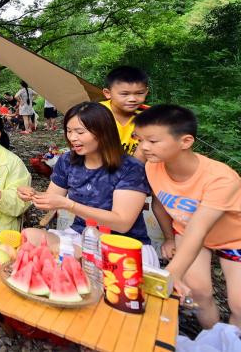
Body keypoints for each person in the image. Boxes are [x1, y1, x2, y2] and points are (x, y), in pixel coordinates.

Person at [135, 105, 241, 329]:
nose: (144, 147)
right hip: (185, 229)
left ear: (185, 141)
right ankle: (212, 337)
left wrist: (171, 272)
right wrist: (169, 238)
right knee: (198, 293)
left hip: (235, 238)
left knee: (239, 304)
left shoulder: (221, 178)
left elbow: (199, 228)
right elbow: (160, 205)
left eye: (153, 141)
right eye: (139, 139)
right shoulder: (153, 167)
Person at [18, 102, 158, 267]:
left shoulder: (130, 168)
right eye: (69, 131)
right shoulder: (67, 161)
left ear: (103, 132)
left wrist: (70, 205)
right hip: (80, 236)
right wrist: (33, 194)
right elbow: (52, 200)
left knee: (62, 255)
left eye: (80, 132)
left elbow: (122, 223)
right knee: (29, 235)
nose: (72, 138)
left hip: (123, 244)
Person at [101, 65, 150, 158]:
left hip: (137, 166)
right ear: (108, 93)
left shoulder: (150, 115)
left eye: (139, 93)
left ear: (146, 92)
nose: (132, 99)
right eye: (124, 94)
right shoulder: (96, 113)